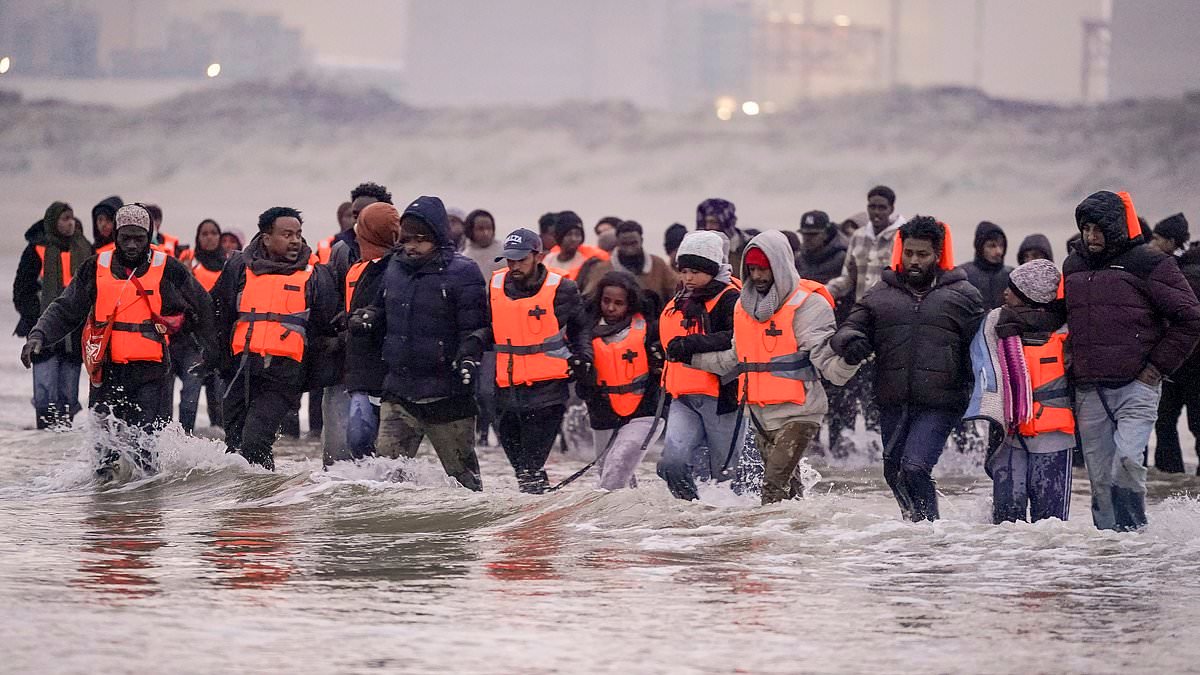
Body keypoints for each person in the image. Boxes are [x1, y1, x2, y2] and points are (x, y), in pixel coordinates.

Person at [21, 204, 217, 480]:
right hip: (106, 372)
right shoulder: (94, 268)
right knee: (104, 453)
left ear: (149, 235)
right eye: (127, 238)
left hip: (152, 374)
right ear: (116, 236)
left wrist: (211, 351)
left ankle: (145, 511)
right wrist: (38, 336)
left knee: (145, 453)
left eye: (140, 238)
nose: (133, 245)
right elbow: (65, 308)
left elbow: (203, 306)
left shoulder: (168, 268)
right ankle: (106, 510)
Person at [832, 217, 984, 521]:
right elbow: (849, 327)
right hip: (893, 398)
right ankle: (914, 528)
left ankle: (931, 532)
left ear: (938, 254)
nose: (914, 261)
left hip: (942, 401)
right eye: (909, 253)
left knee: (914, 467)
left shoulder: (963, 295)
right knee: (893, 470)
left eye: (922, 254)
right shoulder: (881, 293)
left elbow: (986, 346)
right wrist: (852, 341)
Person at [1064, 192, 1200, 530]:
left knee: (1126, 462)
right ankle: (1112, 552)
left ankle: (1135, 538)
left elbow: (1190, 318)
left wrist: (1155, 370)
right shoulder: (1073, 265)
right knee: (1099, 479)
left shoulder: (1150, 262)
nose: (1091, 237)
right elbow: (1060, 315)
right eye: (1086, 229)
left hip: (1137, 386)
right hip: (1089, 388)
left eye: (1098, 229)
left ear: (1116, 229)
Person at [690, 231, 858, 504]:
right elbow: (732, 359)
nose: (756, 276)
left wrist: (851, 358)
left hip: (800, 415)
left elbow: (831, 368)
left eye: (763, 269)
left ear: (780, 266)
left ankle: (765, 541)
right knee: (790, 494)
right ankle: (800, 539)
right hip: (760, 416)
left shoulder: (809, 305)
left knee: (771, 486)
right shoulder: (743, 307)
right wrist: (687, 358)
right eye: (752, 269)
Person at [350, 197, 487, 489]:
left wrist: (468, 357)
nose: (411, 246)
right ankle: (391, 535)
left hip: (448, 396)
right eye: (406, 239)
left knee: (465, 483)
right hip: (399, 392)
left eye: (420, 240)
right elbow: (379, 309)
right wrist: (366, 318)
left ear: (438, 237)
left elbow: (477, 328)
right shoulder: (394, 268)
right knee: (386, 483)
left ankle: (465, 535)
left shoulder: (464, 273)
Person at [211, 206, 340, 470]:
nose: (295, 240)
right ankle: (254, 503)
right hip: (241, 371)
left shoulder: (315, 276)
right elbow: (218, 313)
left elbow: (327, 327)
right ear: (267, 238)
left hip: (284, 376)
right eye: (287, 234)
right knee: (235, 446)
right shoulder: (238, 268)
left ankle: (262, 504)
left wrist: (310, 374)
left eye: (298, 234)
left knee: (255, 440)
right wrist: (217, 360)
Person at [466, 228, 591, 493]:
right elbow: (491, 327)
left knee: (531, 466)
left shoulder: (562, 289)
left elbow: (581, 330)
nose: (514, 266)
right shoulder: (496, 285)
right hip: (506, 392)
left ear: (538, 256)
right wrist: (475, 342)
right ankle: (538, 516)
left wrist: (583, 358)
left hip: (549, 392)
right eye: (510, 260)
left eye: (521, 259)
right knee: (521, 469)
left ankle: (537, 521)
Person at [967, 259, 1074, 523]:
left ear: (1029, 295)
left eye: (1012, 289)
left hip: (1054, 436)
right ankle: (1011, 565)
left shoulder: (1067, 331)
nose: (1005, 293)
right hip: (1008, 435)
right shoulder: (995, 323)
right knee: (1005, 523)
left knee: (1051, 526)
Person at [657, 230, 743, 501]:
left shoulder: (731, 297)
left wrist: (694, 343)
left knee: (726, 475)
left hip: (722, 399)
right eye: (683, 271)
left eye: (695, 271)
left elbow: (736, 336)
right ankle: (691, 514)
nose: (688, 278)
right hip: (683, 397)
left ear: (713, 269)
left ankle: (727, 529)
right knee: (672, 464)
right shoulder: (681, 297)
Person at [825, 187, 906, 456]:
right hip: (865, 318)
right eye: (872, 206)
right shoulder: (859, 237)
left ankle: (887, 443)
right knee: (858, 381)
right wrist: (822, 292)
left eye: (882, 207)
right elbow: (848, 279)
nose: (877, 212)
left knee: (887, 382)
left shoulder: (903, 236)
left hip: (895, 320)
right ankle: (859, 447)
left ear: (892, 208)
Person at [577, 271, 665, 490]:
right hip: (603, 412)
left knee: (618, 464)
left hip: (644, 411)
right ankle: (629, 519)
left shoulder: (649, 327)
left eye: (619, 303)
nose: (611, 308)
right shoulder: (585, 330)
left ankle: (598, 517)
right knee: (608, 469)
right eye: (606, 301)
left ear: (630, 304)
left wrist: (658, 362)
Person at [13, 201, 94, 428]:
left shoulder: (84, 248)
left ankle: (59, 450)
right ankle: (44, 442)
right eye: (64, 218)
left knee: (68, 397)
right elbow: (21, 291)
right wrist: (37, 319)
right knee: (45, 396)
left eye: (71, 218)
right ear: (53, 221)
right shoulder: (36, 250)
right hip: (44, 335)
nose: (69, 223)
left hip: (74, 334)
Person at [333, 202, 401, 463]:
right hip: (358, 370)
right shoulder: (357, 268)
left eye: (361, 225)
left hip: (381, 372)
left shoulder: (395, 270)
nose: (356, 230)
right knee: (358, 441)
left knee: (365, 440)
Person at [1155, 218, 1200, 474]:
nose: (1153, 244)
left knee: (1166, 423)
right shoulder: (1178, 268)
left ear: (1171, 242)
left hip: (1180, 364)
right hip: (1179, 363)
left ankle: (1171, 480)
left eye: (1158, 239)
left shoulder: (1184, 274)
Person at [174, 218, 227, 432]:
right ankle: (184, 436)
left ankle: (221, 443)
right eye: (204, 234)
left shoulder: (228, 265)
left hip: (219, 341)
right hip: (192, 342)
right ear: (198, 238)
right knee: (190, 393)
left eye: (214, 233)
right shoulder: (189, 265)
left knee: (219, 398)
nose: (209, 237)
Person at [460, 208, 504, 445]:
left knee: (492, 389)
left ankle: (499, 432)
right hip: (475, 327)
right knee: (479, 390)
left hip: (502, 327)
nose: (485, 232)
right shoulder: (465, 257)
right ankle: (482, 434)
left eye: (489, 227)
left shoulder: (504, 254)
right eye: (480, 228)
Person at [577, 220, 677, 313]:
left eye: (633, 243)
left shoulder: (658, 265)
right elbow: (587, 301)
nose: (629, 249)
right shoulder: (602, 269)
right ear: (617, 243)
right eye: (624, 244)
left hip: (653, 324)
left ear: (641, 240)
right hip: (612, 326)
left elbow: (676, 292)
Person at [958, 221, 1013, 311]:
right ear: (980, 247)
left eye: (1001, 245)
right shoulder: (963, 275)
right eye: (992, 246)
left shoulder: (1012, 276)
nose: (999, 251)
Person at [544, 211, 609, 280]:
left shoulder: (595, 257)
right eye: (569, 234)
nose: (573, 239)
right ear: (559, 237)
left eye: (577, 234)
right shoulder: (549, 258)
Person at [696, 198, 748, 279]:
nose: (708, 227)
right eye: (706, 222)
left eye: (713, 222)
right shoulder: (701, 249)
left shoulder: (746, 246)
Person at [462, 209, 504, 275]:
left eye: (489, 228)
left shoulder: (505, 253)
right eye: (480, 229)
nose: (486, 233)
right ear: (470, 231)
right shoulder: (465, 259)